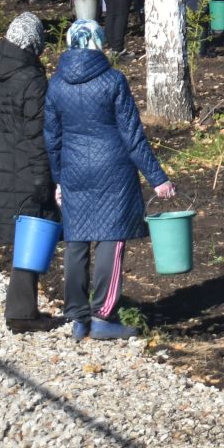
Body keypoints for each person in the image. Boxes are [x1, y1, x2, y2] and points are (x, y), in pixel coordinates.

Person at [44, 19, 178, 341]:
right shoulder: (113, 80)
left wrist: (58, 180)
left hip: (74, 169)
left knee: (76, 240)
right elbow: (133, 136)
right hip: (113, 170)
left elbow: (52, 138)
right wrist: (158, 178)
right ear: (99, 43)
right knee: (111, 237)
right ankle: (102, 314)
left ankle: (77, 317)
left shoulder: (56, 85)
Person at [0, 13, 62, 333]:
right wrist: (43, 179)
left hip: (3, 163)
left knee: (24, 237)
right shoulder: (31, 78)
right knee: (33, 235)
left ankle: (23, 309)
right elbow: (37, 135)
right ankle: (21, 313)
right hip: (26, 168)